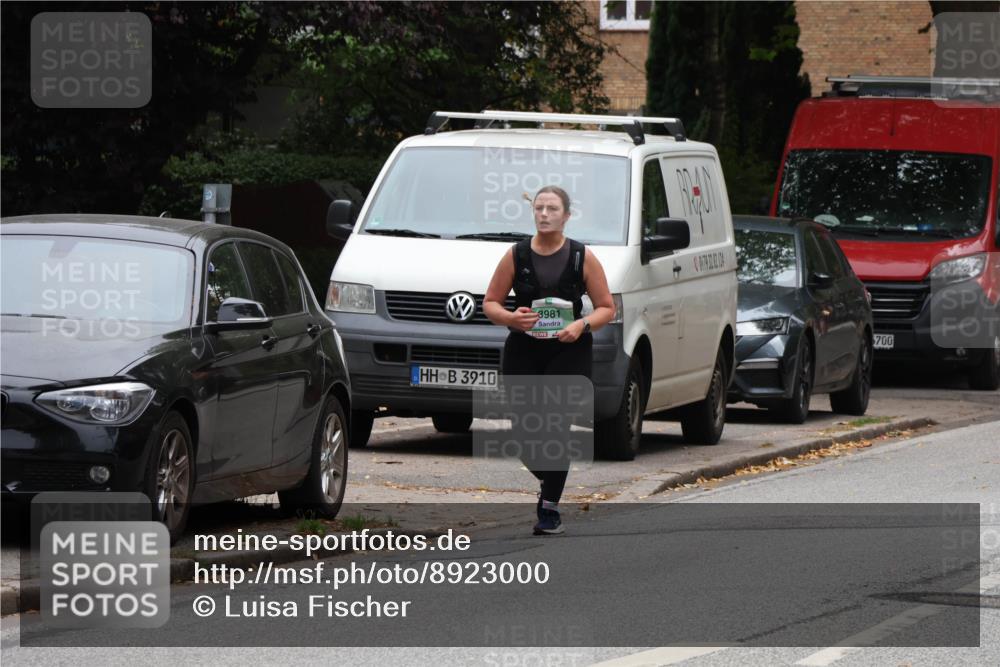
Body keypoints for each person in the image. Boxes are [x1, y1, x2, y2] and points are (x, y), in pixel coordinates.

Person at [483, 185, 615, 535]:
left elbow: (607, 308)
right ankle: (551, 475)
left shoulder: (580, 257)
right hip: (524, 349)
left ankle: (549, 509)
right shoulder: (517, 255)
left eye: (552, 208)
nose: (544, 214)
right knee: (524, 432)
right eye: (539, 208)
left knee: (554, 428)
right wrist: (511, 319)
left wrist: (581, 325)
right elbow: (490, 302)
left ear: (566, 216)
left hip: (568, 350)